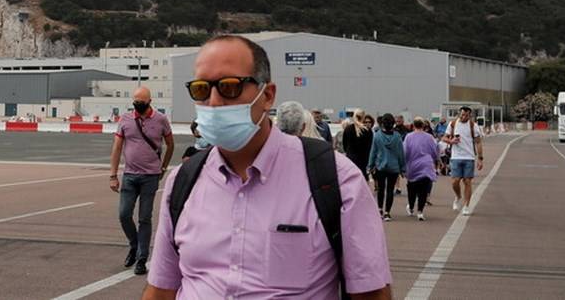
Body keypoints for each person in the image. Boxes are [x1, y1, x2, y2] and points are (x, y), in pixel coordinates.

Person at [143, 35, 392, 299]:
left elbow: (372, 294)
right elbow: (161, 290)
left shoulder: (337, 179)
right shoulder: (183, 181)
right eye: (202, 89)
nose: (213, 101)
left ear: (267, 95)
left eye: (229, 87)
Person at [110, 86, 174, 276]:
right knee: (123, 214)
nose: (138, 105)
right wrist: (113, 175)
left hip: (150, 177)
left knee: (145, 217)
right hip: (129, 175)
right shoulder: (126, 119)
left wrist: (163, 167)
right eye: (135, 102)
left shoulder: (161, 120)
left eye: (141, 102)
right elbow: (117, 147)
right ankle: (134, 244)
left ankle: (141, 258)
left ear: (150, 102)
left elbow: (170, 144)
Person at [443, 105, 484, 216]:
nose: (463, 117)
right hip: (455, 157)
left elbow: (478, 142)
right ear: (459, 114)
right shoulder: (453, 124)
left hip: (469, 157)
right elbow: (444, 138)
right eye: (462, 115)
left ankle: (466, 206)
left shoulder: (473, 126)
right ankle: (458, 196)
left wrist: (480, 158)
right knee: (455, 181)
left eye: (466, 115)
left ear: (470, 115)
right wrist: (451, 141)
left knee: (467, 181)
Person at [368, 112, 405, 221]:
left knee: (381, 189)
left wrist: (370, 165)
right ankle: (387, 212)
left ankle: (379, 209)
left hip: (381, 166)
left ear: (382, 124)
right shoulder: (397, 137)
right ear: (393, 124)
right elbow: (400, 153)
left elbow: (373, 152)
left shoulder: (377, 135)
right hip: (393, 167)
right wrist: (402, 168)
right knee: (390, 190)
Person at [404, 116, 440, 221]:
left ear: (413, 125)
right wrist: (436, 159)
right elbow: (435, 150)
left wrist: (404, 164)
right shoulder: (429, 137)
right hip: (426, 165)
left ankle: (411, 207)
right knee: (424, 190)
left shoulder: (408, 137)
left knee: (412, 188)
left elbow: (405, 151)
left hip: (413, 165)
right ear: (423, 126)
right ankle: (420, 211)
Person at [342, 108, 373, 179]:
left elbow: (345, 145)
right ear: (363, 117)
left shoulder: (348, 129)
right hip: (363, 160)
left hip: (351, 159)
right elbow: (369, 147)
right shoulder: (367, 131)